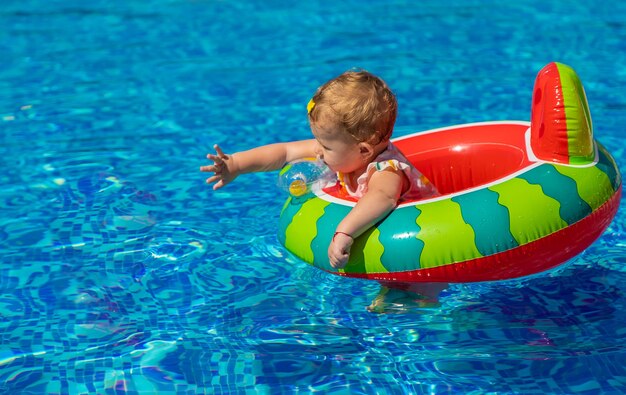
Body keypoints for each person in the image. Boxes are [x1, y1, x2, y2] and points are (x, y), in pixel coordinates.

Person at [200, 70, 438, 269]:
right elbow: (285, 152)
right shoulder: (345, 150)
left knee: (411, 290)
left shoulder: (386, 170)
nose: (318, 152)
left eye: (325, 146)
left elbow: (382, 198)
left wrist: (344, 231)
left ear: (364, 151)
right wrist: (236, 164)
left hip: (420, 242)